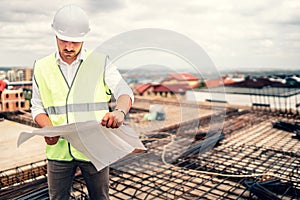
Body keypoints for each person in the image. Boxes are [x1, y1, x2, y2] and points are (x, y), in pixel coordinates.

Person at [31, 4, 134, 200]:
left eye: (75, 42)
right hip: (58, 151)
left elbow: (123, 90)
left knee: (100, 197)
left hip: (94, 149)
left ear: (84, 39)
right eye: (63, 41)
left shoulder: (100, 62)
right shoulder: (41, 67)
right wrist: (47, 128)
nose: (69, 47)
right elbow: (37, 106)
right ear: (55, 35)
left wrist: (119, 112)